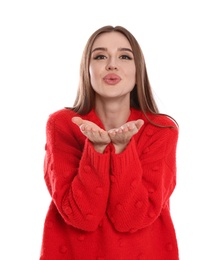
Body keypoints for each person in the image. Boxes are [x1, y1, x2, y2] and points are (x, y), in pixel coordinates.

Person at [40, 25, 179, 260]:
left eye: (124, 56)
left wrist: (124, 149)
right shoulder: (62, 124)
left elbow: (132, 219)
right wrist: (96, 149)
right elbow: (81, 216)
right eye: (100, 56)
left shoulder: (160, 129)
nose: (112, 64)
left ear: (138, 71)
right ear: (87, 69)